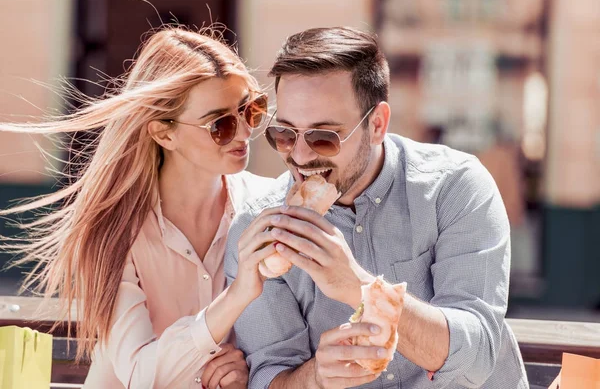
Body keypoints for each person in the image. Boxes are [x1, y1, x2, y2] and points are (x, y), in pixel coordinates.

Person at [224, 27, 529, 388]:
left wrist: (359, 287)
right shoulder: (257, 232)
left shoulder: (455, 187)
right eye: (285, 134)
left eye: (324, 136)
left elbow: (477, 358)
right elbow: (268, 374)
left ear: (377, 124)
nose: (300, 156)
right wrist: (315, 378)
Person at [0, 26, 275, 388]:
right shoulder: (113, 229)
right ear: (164, 133)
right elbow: (141, 375)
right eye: (220, 124)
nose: (242, 131)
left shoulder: (269, 207)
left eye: (250, 110)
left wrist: (248, 371)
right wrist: (235, 297)